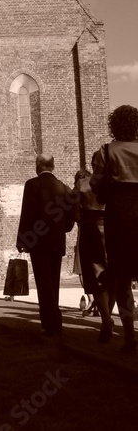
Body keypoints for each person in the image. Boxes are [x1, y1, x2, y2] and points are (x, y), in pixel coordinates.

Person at [91, 105, 138, 354]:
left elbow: (96, 185)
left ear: (114, 126)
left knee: (122, 278)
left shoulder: (106, 151)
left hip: (120, 215)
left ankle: (129, 335)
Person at [16, 153, 75, 337]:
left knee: (44, 283)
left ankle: (51, 324)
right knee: (54, 282)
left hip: (38, 241)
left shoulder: (33, 184)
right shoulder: (63, 187)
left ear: (38, 165)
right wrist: (63, 229)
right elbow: (71, 216)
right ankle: (53, 323)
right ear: (53, 166)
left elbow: (27, 214)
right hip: (57, 242)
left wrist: (22, 239)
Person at [73, 163, 115, 342]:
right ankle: (107, 317)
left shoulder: (81, 184)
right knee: (113, 275)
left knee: (95, 276)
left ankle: (106, 319)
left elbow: (74, 214)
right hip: (113, 229)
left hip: (91, 230)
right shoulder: (113, 182)